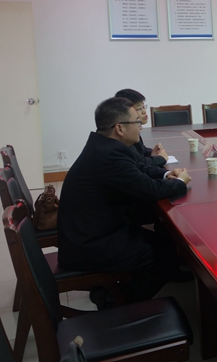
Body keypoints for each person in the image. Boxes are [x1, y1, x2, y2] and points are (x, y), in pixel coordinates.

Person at [58, 97, 191, 306]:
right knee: (163, 258)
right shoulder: (110, 154)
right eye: (137, 122)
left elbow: (138, 170)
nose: (141, 126)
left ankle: (120, 289)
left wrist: (166, 175)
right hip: (90, 244)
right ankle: (114, 302)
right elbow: (150, 190)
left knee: (167, 243)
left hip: (94, 230)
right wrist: (180, 182)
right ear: (119, 128)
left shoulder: (104, 145)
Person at [115, 88, 167, 167]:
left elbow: (141, 149)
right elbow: (139, 161)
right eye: (139, 108)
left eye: (143, 106)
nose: (144, 111)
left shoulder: (133, 128)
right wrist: (161, 158)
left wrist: (153, 152)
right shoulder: (125, 135)